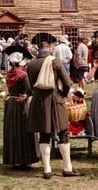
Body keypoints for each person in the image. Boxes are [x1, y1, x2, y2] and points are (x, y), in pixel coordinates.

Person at [27, 36, 82, 180]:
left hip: (38, 102)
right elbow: (67, 83)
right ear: (50, 48)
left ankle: (47, 169)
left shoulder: (31, 64)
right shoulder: (55, 62)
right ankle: (67, 168)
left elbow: (32, 84)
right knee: (63, 133)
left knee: (43, 135)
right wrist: (63, 95)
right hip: (55, 100)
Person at [3, 52, 39, 168]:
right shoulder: (23, 74)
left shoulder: (9, 74)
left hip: (10, 104)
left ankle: (14, 159)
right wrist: (28, 96)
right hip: (20, 103)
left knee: (12, 131)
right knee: (22, 130)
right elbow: (29, 90)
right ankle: (23, 159)